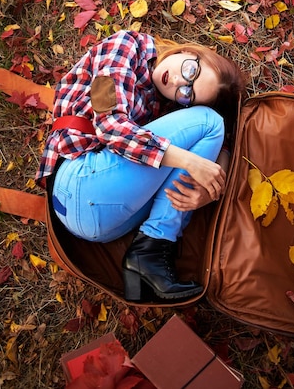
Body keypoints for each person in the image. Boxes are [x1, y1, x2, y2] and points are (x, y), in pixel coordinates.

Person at [36, 29, 246, 302]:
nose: (180, 82)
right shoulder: (124, 48)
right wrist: (192, 162)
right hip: (78, 182)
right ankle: (152, 248)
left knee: (212, 127)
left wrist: (212, 187)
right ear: (190, 51)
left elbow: (224, 134)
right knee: (208, 123)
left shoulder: (167, 106)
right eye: (191, 70)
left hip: (109, 225)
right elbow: (110, 125)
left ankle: (149, 256)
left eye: (187, 94)